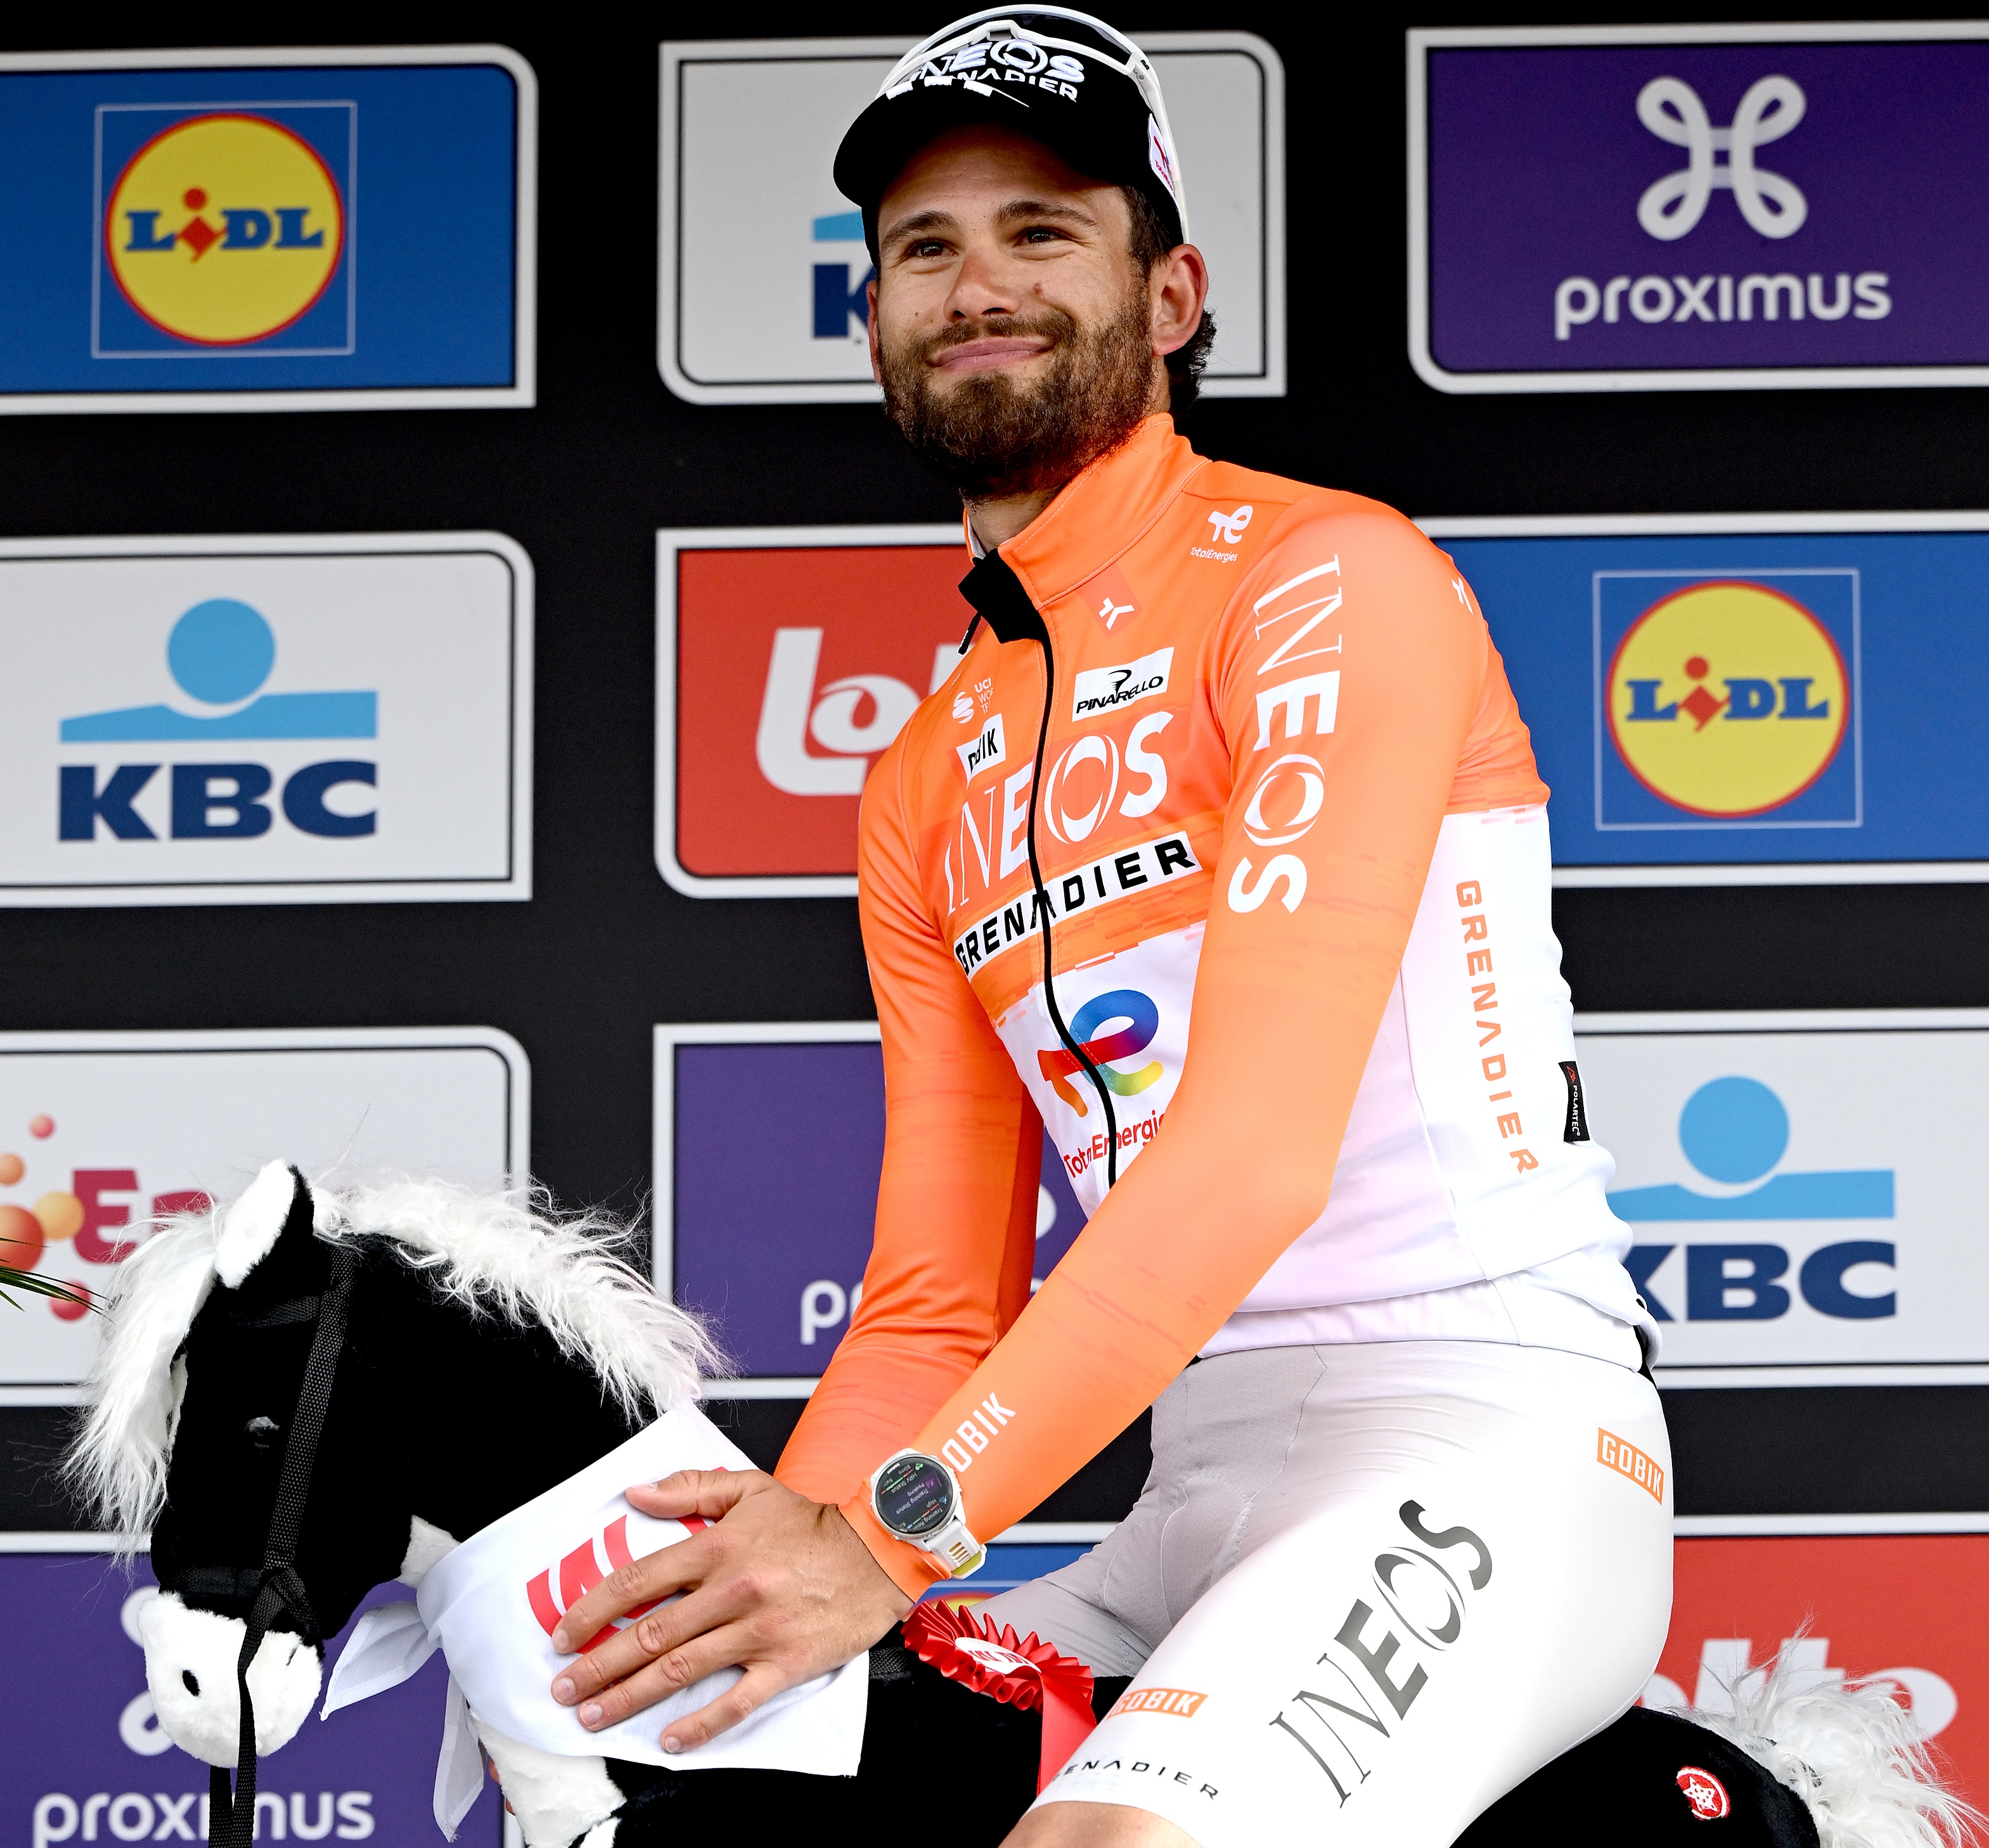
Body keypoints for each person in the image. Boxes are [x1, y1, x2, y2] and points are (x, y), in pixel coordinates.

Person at [546, 10, 1670, 1844]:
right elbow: (929, 1304)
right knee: (732, 1789)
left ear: (1170, 293)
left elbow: (1245, 1166)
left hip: (1494, 1437)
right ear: (877, 324)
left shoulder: (1329, 579)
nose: (975, 281)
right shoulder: (923, 773)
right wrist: (778, 1564)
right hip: (1200, 1485)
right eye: (924, 248)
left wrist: (890, 1533)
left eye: (1041, 230)